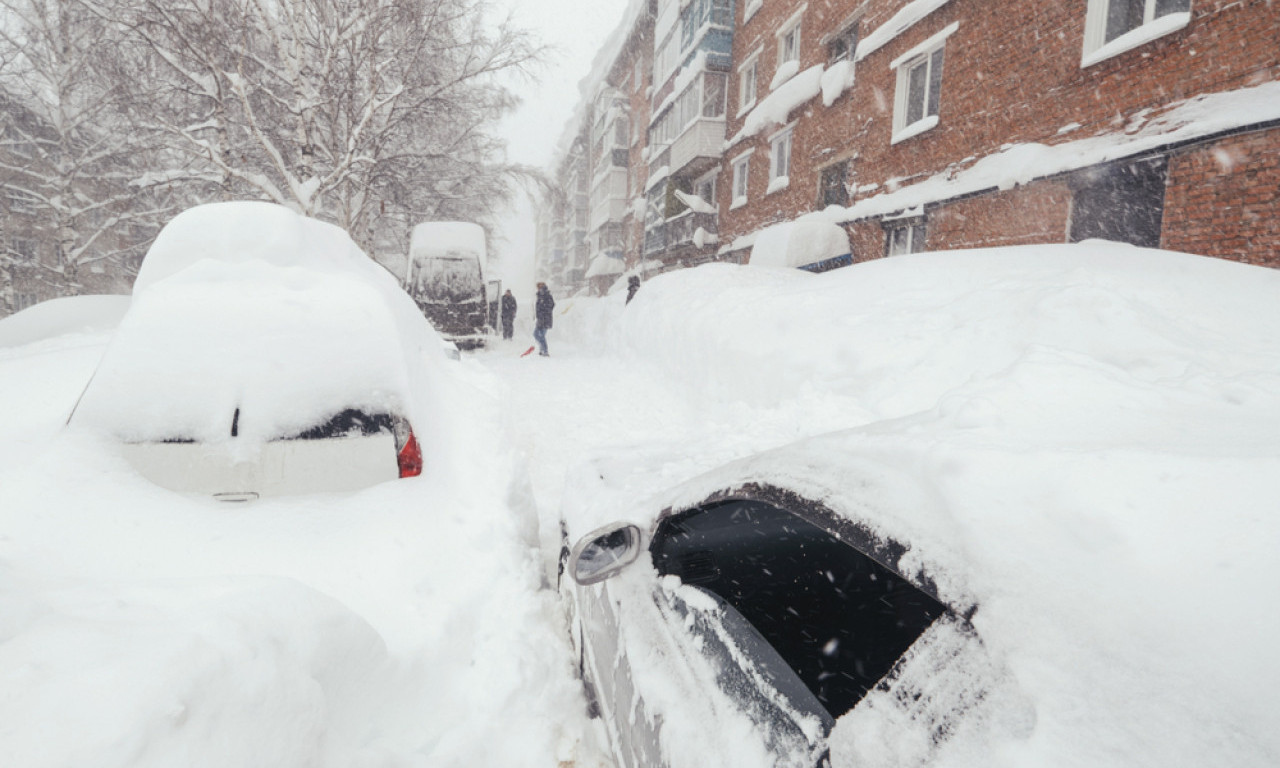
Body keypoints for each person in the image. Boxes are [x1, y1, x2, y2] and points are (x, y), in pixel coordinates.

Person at [534, 282, 555, 357]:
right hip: (540, 319)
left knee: (541, 335)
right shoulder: (539, 296)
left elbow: (552, 305)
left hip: (546, 319)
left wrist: (545, 312)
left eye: (540, 286)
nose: (539, 288)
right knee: (536, 334)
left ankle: (545, 351)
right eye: (538, 287)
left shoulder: (547, 295)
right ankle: (542, 349)